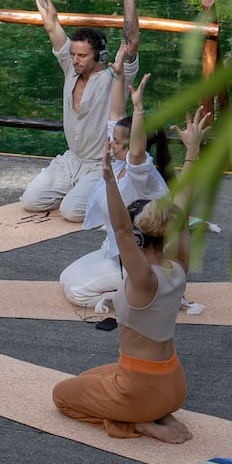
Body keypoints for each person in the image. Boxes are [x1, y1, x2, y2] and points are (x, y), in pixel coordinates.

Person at [52, 115, 194, 443]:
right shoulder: (179, 268)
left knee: (62, 395)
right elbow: (183, 213)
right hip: (174, 385)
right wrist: (192, 153)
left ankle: (138, 422)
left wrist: (107, 177)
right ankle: (154, 412)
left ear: (140, 240)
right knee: (89, 377)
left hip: (141, 389)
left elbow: (119, 228)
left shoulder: (144, 278)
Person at [59, 66, 210, 310]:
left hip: (142, 258)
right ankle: (139, 290)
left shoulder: (141, 174)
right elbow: (116, 115)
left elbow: (137, 151)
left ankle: (138, 296)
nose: (111, 144)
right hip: (116, 250)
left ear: (132, 148)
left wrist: (139, 108)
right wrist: (118, 75)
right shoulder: (119, 161)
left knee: (76, 292)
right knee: (65, 278)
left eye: (117, 143)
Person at [20, 0, 144, 220]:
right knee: (31, 201)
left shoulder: (116, 75)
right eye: (73, 54)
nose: (74, 60)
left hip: (100, 163)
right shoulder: (70, 68)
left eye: (82, 56)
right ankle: (80, 189)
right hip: (71, 160)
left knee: (73, 212)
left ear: (99, 55)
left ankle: (112, 189)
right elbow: (51, 24)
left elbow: (131, 40)